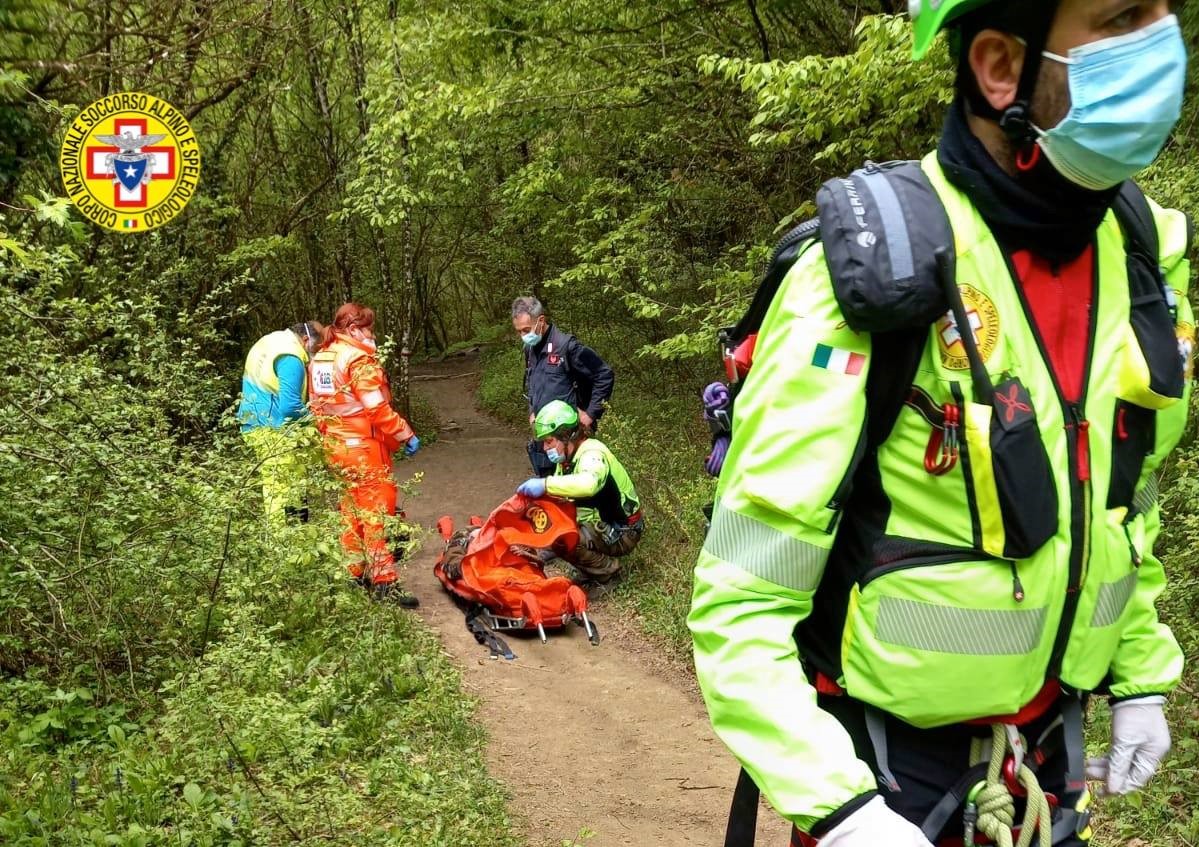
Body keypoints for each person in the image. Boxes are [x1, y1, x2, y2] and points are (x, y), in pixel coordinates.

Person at [690, 3, 1191, 847]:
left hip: (1043, 769)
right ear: (1000, 67)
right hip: (886, 780)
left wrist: (1140, 673)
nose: (1161, 46)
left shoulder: (1136, 253)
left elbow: (1116, 502)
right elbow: (741, 599)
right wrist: (841, 811)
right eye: (1121, 19)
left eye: (1165, 12)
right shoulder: (876, 276)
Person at [308, 303, 421, 607]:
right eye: (369, 328)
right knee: (376, 513)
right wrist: (405, 433)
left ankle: (354, 572)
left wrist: (330, 439)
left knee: (351, 510)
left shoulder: (321, 358)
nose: (372, 334)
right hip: (364, 448)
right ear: (355, 329)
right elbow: (376, 408)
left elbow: (316, 407)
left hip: (336, 447)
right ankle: (385, 581)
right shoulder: (359, 359)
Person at [516, 400, 642, 598]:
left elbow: (588, 483)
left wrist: (545, 484)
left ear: (566, 437)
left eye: (549, 441)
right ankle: (589, 570)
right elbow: (556, 503)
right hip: (599, 522)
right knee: (556, 532)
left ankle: (609, 574)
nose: (545, 447)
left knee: (566, 539)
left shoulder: (592, 453)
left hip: (623, 530)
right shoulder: (567, 461)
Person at [512, 296, 615, 477]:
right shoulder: (530, 350)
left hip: (570, 437)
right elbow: (532, 383)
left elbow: (604, 375)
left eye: (526, 330)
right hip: (545, 435)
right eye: (519, 331)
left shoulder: (567, 347)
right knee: (549, 492)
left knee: (574, 493)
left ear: (541, 321)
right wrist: (532, 411)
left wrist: (590, 414)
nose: (523, 336)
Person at [238, 321, 324, 524]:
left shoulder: (271, 340)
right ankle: (287, 543)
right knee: (284, 489)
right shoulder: (291, 358)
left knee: (273, 485)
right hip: (275, 429)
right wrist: (316, 423)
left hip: (253, 422)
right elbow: (290, 406)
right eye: (317, 347)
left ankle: (285, 541)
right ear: (306, 340)